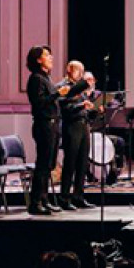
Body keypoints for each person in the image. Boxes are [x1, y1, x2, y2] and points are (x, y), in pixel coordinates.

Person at [25, 45, 70, 215]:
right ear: (38, 60)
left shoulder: (46, 78)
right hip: (44, 125)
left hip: (52, 125)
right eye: (47, 55)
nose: (51, 57)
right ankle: (35, 203)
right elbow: (39, 103)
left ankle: (44, 199)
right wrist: (58, 93)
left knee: (49, 165)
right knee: (42, 165)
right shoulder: (36, 78)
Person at [56, 60, 97, 211]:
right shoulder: (63, 86)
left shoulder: (79, 88)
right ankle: (64, 198)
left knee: (82, 163)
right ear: (69, 70)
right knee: (70, 163)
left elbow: (83, 109)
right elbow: (64, 107)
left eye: (82, 70)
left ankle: (78, 196)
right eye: (78, 70)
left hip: (83, 126)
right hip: (71, 127)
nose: (81, 73)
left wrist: (94, 109)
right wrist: (82, 105)